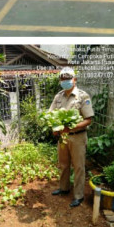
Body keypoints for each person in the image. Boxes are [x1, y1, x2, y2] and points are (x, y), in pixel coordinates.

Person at [49, 68, 94, 208]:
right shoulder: (58, 97)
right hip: (63, 137)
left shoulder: (82, 96)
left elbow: (88, 119)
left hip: (77, 137)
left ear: (74, 79)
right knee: (63, 164)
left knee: (79, 167)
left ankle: (78, 196)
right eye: (63, 79)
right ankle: (64, 188)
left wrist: (71, 128)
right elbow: (51, 114)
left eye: (68, 79)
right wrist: (54, 127)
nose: (65, 81)